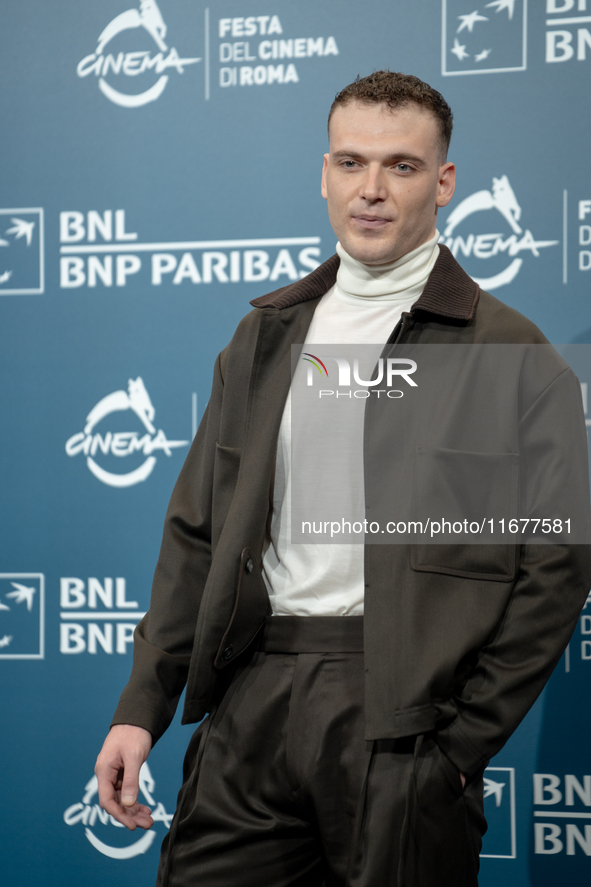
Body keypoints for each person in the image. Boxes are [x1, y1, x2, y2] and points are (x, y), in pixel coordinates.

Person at [95, 71, 591, 886]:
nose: (370, 189)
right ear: (323, 174)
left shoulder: (514, 356)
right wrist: (141, 707)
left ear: (442, 182)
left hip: (404, 724)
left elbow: (555, 571)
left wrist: (458, 746)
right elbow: (196, 535)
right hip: (253, 702)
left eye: (399, 166)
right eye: (350, 162)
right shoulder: (261, 337)